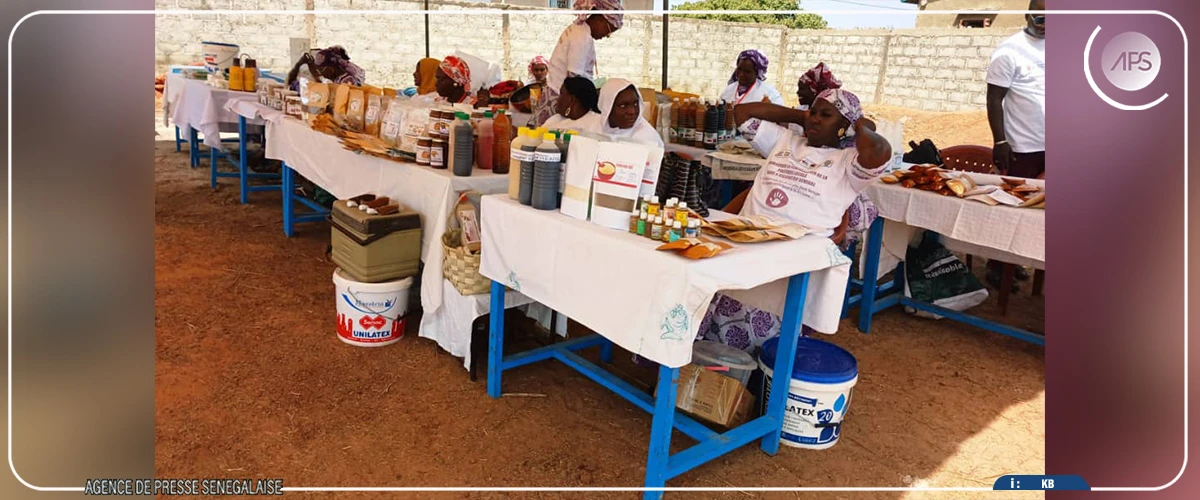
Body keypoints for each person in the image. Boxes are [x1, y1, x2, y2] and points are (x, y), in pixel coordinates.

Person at [698, 89, 891, 353]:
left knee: (765, 333)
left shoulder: (849, 163)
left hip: (794, 252)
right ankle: (710, 365)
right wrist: (803, 117)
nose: (815, 119)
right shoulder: (786, 140)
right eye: (813, 112)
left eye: (826, 115)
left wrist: (861, 127)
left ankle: (755, 370)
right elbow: (742, 113)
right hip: (746, 238)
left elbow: (879, 150)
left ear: (844, 126)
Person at [985, 0, 1044, 286]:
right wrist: (1001, 140)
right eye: (1041, 17)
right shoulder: (1009, 51)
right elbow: (994, 98)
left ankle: (1017, 260)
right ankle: (997, 265)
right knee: (1013, 207)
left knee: (1040, 211)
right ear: (1028, 15)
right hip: (1021, 146)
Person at [536, 0, 624, 126]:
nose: (607, 35)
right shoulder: (582, 38)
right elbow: (574, 80)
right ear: (599, 19)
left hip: (559, 94)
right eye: (609, 30)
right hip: (564, 99)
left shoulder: (579, 30)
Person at [594, 78, 664, 148]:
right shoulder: (594, 129)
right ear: (607, 107)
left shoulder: (646, 137)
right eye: (623, 106)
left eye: (635, 104)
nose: (632, 111)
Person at [718, 50, 785, 107]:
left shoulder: (770, 94)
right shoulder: (728, 90)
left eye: (747, 71)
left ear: (757, 73)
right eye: (739, 69)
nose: (741, 74)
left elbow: (781, 119)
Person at [285, 46, 365, 92]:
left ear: (331, 68)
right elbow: (318, 76)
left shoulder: (347, 81)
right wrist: (302, 63)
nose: (320, 72)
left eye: (321, 69)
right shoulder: (336, 78)